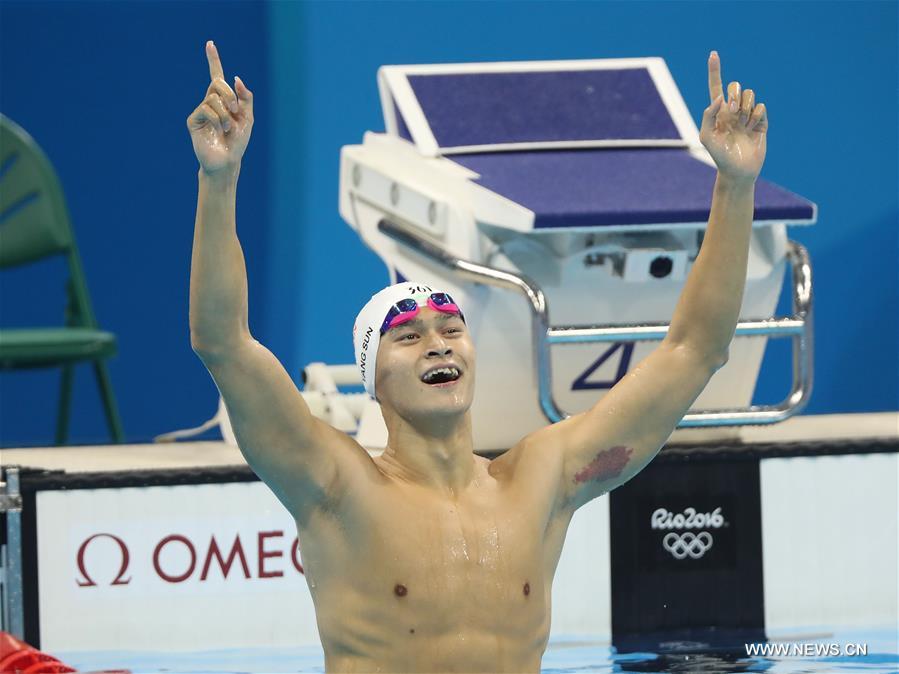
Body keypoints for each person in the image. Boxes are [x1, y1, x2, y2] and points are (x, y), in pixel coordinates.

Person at [187, 40, 767, 673]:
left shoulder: (542, 480)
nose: (437, 342)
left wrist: (734, 186)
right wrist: (220, 180)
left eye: (451, 329)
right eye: (407, 337)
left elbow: (695, 350)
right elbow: (224, 343)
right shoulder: (334, 485)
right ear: (372, 382)